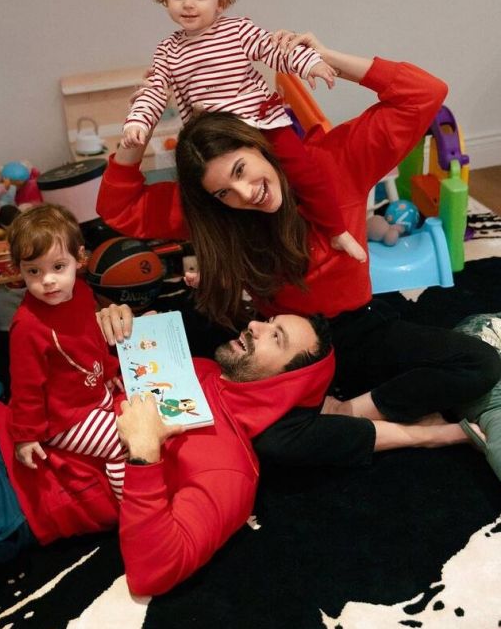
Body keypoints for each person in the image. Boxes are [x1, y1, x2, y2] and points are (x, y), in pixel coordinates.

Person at [96, 35, 501, 467]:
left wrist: (324, 57)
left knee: (478, 363)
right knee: (141, 344)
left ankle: (350, 412)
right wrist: (138, 128)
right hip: (272, 336)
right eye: (224, 192)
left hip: (356, 330)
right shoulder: (216, 213)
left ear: (259, 145)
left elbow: (425, 93)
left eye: (241, 170)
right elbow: (117, 208)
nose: (245, 193)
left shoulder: (332, 162)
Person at [0, 299, 476, 595]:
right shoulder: (195, 365)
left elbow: (154, 571)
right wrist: (106, 328)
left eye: (275, 337)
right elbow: (81, 376)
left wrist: (144, 456)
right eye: (267, 321)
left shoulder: (233, 470)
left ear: (287, 380)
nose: (256, 327)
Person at [120, 0, 365, 262]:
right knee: (219, 201)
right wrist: (137, 122)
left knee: (305, 173)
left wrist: (310, 64)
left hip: (262, 122)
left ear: (220, 0)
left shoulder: (238, 31)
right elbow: (152, 90)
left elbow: (275, 50)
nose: (188, 4)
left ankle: (336, 231)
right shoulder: (168, 51)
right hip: (218, 141)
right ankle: (232, 259)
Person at [6, 204, 126, 499]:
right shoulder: (27, 327)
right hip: (63, 419)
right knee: (124, 440)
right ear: (19, 270)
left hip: (93, 392)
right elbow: (25, 386)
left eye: (58, 267)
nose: (47, 280)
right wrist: (26, 436)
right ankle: (130, 505)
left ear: (79, 259)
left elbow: (92, 338)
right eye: (33, 271)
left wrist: (109, 369)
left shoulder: (81, 292)